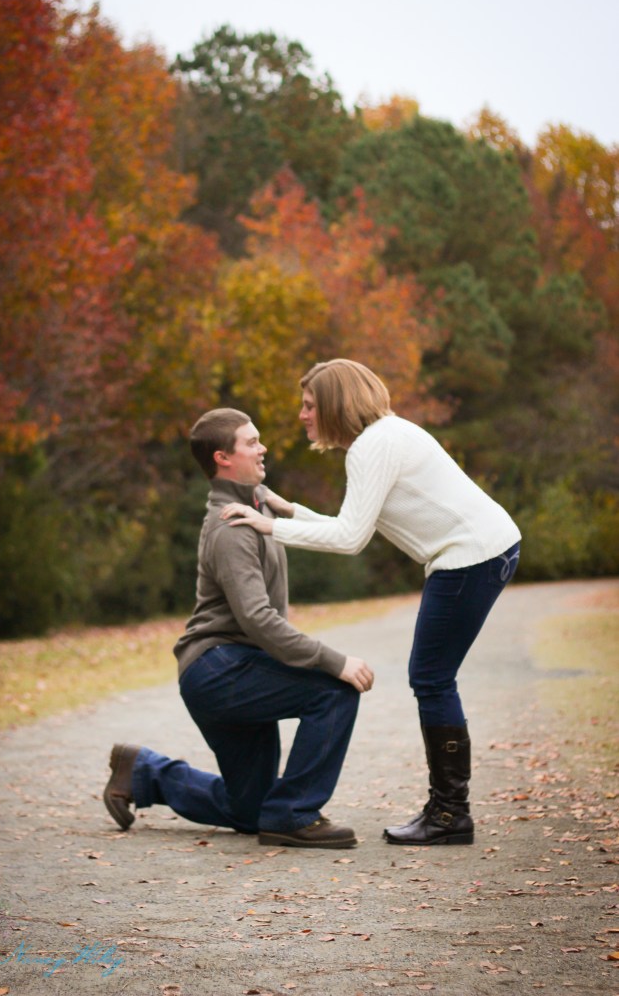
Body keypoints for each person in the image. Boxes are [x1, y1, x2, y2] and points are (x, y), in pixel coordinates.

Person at [221, 359, 521, 847]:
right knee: (433, 677)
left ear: (335, 404)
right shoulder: (386, 436)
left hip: (470, 558)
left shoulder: (371, 447)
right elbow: (352, 524)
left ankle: (450, 814)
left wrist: (269, 526)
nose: (302, 415)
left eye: (310, 405)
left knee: (431, 679)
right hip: (487, 549)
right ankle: (449, 811)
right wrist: (290, 510)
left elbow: (349, 539)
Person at [103, 407, 374, 849]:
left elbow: (337, 532)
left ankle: (144, 771)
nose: (262, 448)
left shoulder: (254, 504)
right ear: (222, 458)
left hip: (228, 668)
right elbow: (257, 618)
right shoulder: (231, 526)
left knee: (251, 811)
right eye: (251, 443)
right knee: (334, 689)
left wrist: (280, 505)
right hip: (220, 669)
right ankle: (293, 815)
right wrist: (334, 661)